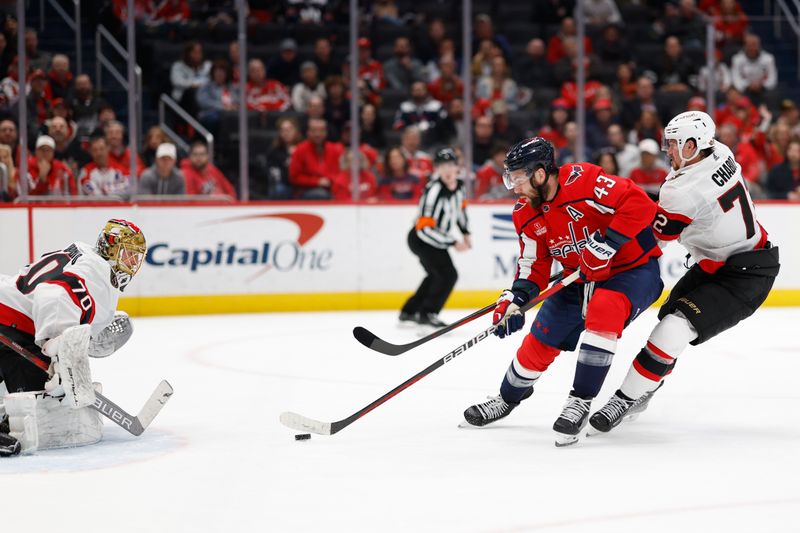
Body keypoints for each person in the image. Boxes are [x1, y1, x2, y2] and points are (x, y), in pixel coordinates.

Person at [462, 137, 663, 446]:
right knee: (540, 340)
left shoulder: (584, 180)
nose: (513, 186)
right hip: (577, 278)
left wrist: (608, 244)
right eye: (510, 178)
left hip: (630, 271)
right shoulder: (524, 212)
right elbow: (534, 264)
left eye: (518, 177)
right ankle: (506, 399)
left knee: (604, 311)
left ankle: (580, 401)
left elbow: (640, 204)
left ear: (540, 173)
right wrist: (516, 297)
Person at [589, 111, 780, 433]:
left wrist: (606, 252)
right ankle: (646, 385)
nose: (668, 151)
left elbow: (653, 245)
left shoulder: (683, 192)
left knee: (672, 331)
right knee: (669, 320)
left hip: (745, 274)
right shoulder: (720, 151)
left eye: (674, 144)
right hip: (722, 262)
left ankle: (626, 398)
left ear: (693, 145)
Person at [0, 219, 146, 456]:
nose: (132, 263)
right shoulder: (96, 273)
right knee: (42, 402)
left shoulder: (85, 256)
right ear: (110, 248)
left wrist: (69, 345)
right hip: (9, 323)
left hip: (9, 314)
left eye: (136, 257)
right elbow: (54, 295)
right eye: (128, 254)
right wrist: (56, 346)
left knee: (36, 395)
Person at [399, 148, 470, 328]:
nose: (447, 170)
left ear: (457, 167)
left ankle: (409, 310)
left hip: (435, 240)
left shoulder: (459, 186)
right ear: (436, 169)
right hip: (421, 240)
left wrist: (465, 232)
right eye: (442, 166)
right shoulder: (433, 190)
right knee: (448, 274)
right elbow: (425, 229)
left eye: (450, 165)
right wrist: (452, 242)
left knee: (435, 274)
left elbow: (460, 211)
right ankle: (428, 312)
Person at [288, 117, 344, 199]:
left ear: (326, 132)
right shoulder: (300, 150)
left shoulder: (335, 149)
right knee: (321, 195)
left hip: (332, 187)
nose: (317, 134)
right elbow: (294, 177)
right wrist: (317, 181)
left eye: (321, 130)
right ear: (308, 132)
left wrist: (329, 180)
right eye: (314, 131)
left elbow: (341, 173)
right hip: (307, 189)